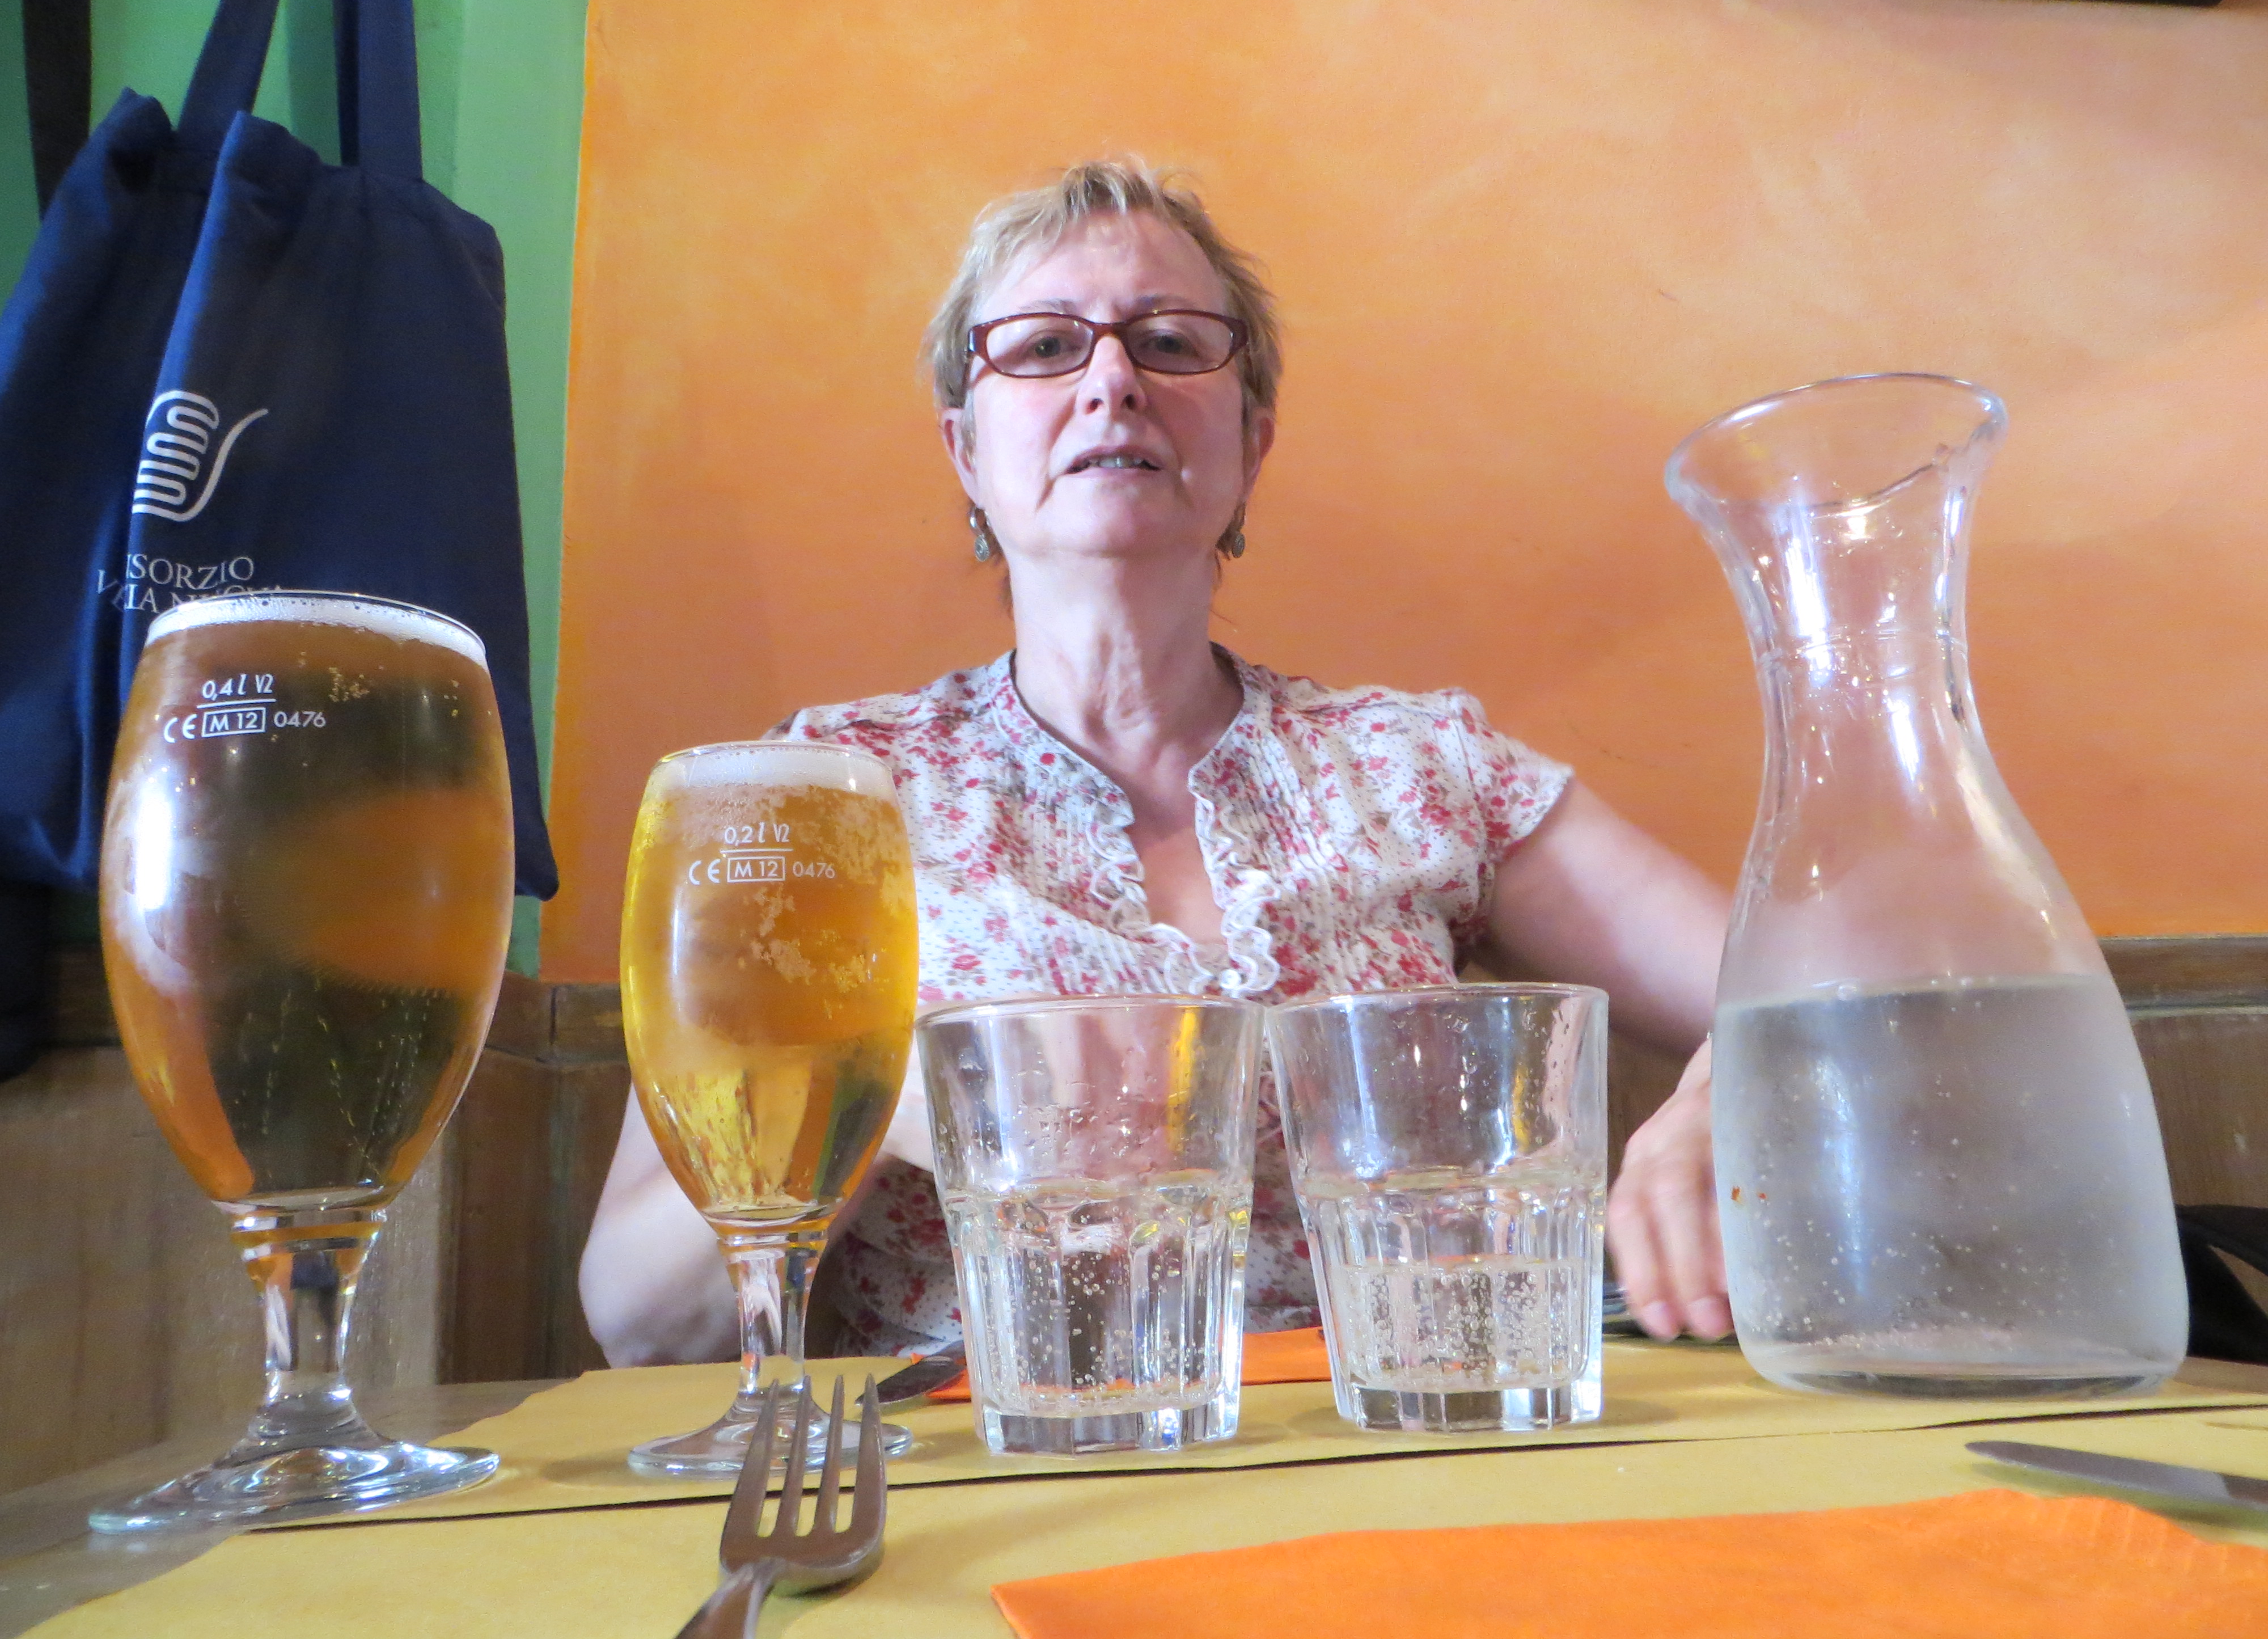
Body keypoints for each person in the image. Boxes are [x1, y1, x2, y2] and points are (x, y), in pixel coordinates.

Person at [581, 160, 1729, 1363]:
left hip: (1405, 1428)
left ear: (1252, 443)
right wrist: (886, 1096)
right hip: (992, 1450)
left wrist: (1713, 1107)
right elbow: (639, 1319)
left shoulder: (1420, 763)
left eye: (1171, 342)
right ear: (965, 450)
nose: (1112, 381)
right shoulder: (826, 793)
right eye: (1042, 348)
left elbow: (1791, 997)